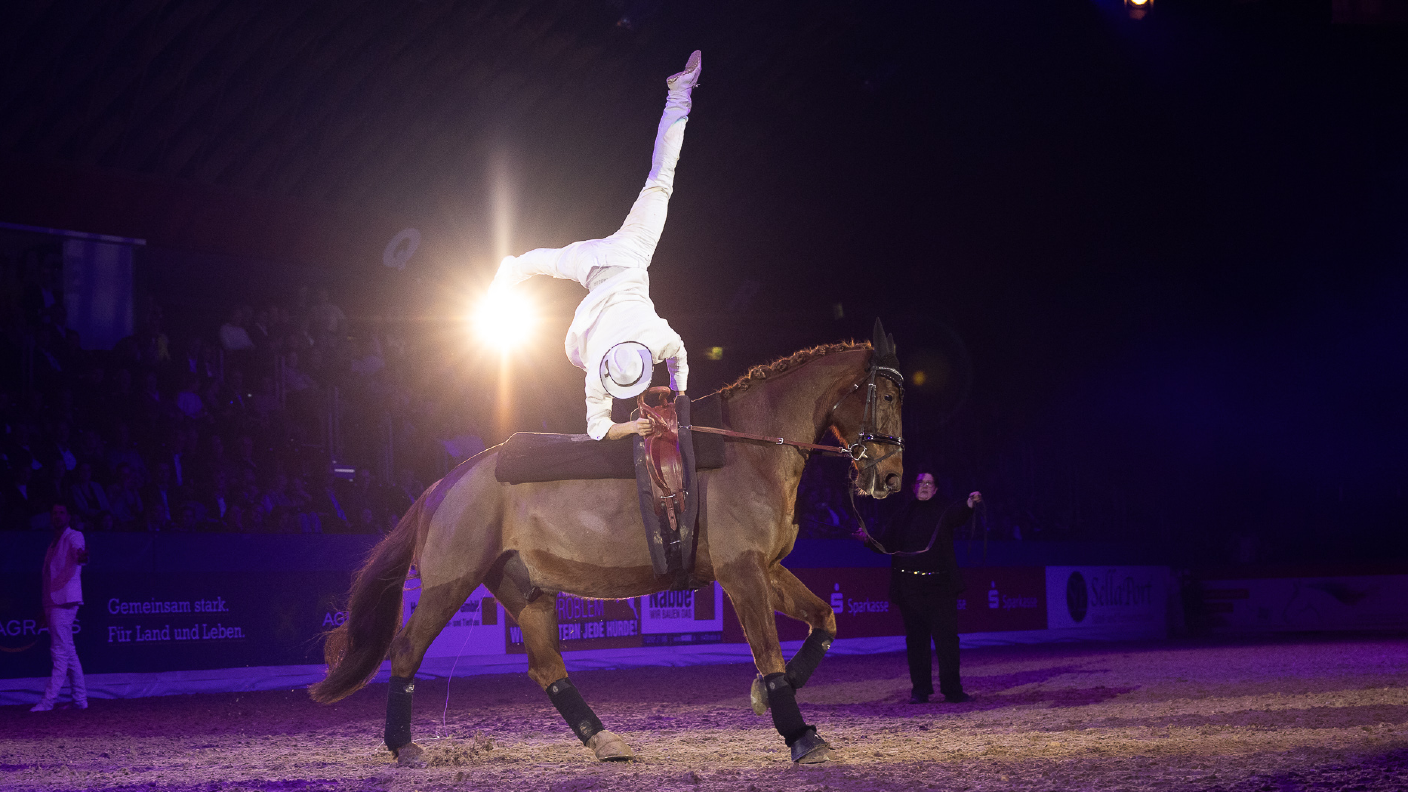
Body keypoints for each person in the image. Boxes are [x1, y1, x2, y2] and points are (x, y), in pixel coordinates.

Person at [487, 51, 701, 441]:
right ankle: (512, 270)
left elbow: (679, 357)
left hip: (630, 257)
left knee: (661, 180)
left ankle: (680, 93)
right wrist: (638, 419)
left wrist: (677, 392)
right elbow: (599, 429)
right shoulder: (599, 367)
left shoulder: (657, 339)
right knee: (549, 268)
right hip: (597, 266)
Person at [871, 472, 981, 704]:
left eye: (929, 483)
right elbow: (886, 544)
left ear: (936, 489)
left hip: (940, 586)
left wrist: (970, 503)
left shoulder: (944, 510)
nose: (924, 486)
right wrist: (865, 539)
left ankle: (952, 690)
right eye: (920, 482)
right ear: (913, 487)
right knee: (916, 641)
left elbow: (959, 513)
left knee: (947, 641)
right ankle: (920, 690)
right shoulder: (902, 515)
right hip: (909, 587)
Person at [32, 502, 88, 712]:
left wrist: (82, 556)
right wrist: (46, 606)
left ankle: (48, 701)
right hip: (55, 602)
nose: (57, 516)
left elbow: (79, 552)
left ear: (68, 516)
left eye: (61, 513)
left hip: (65, 601)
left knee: (59, 652)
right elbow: (49, 576)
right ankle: (80, 700)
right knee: (68, 651)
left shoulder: (73, 536)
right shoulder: (53, 543)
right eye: (54, 513)